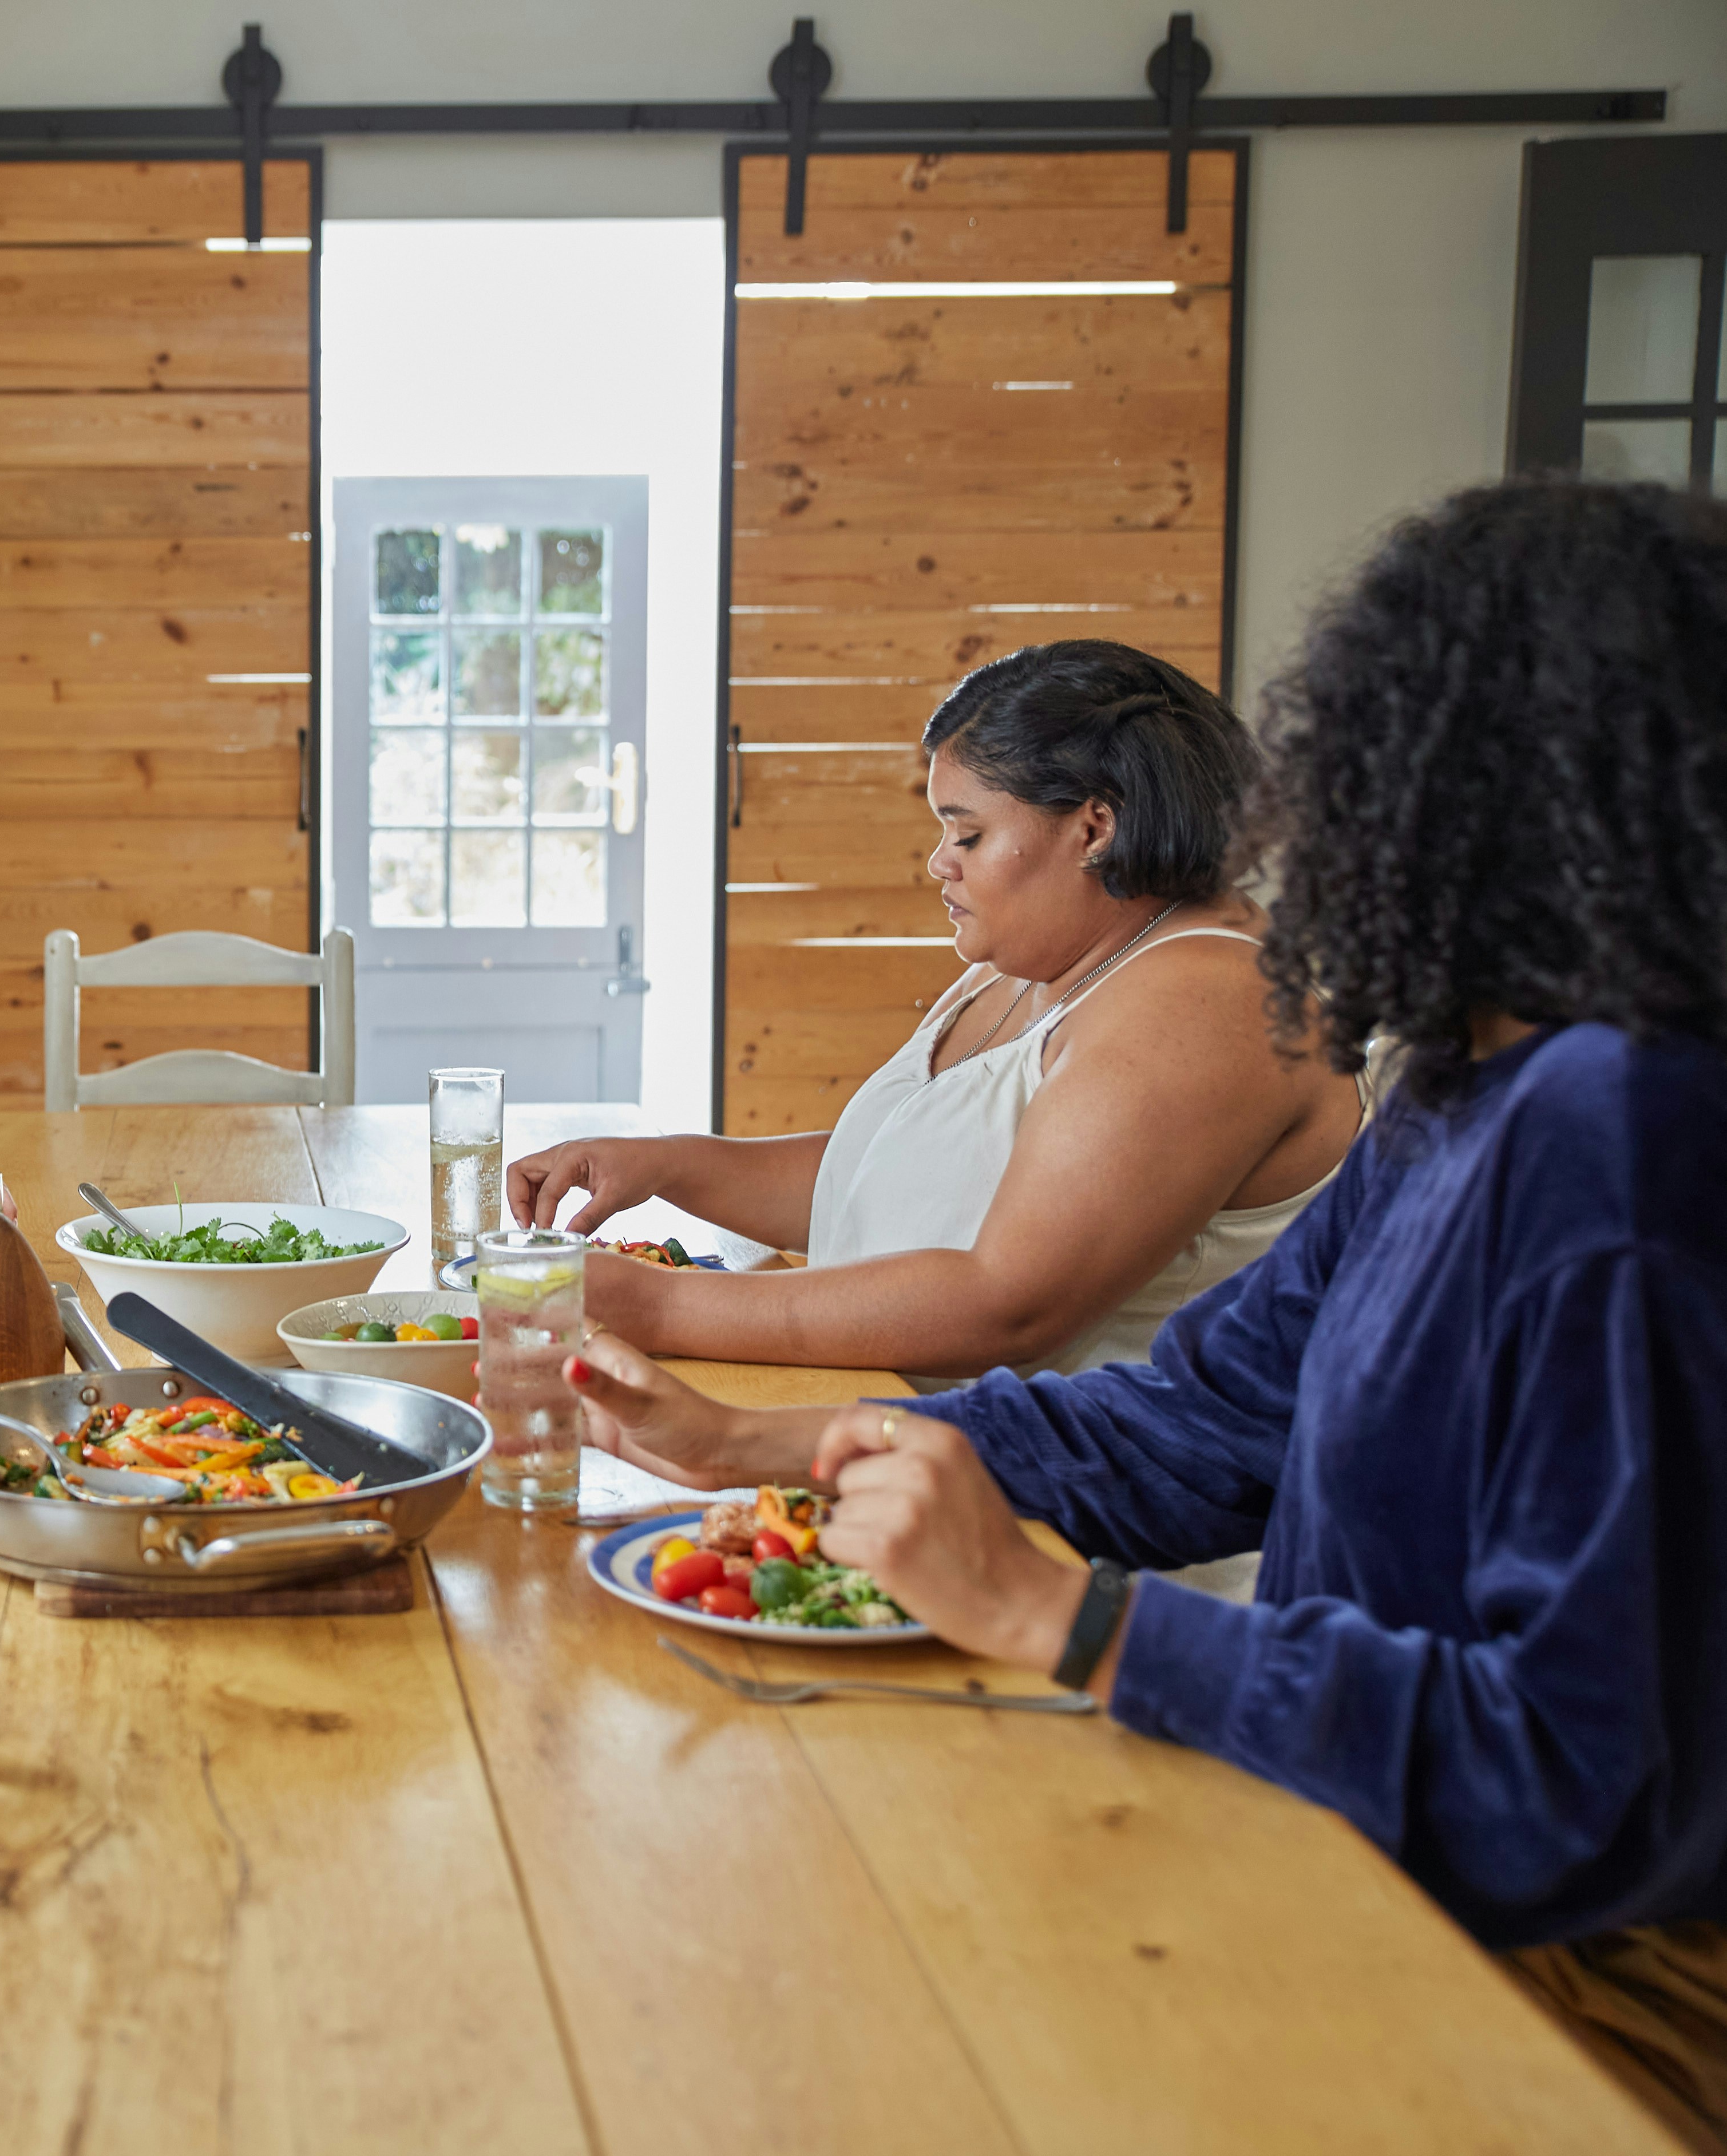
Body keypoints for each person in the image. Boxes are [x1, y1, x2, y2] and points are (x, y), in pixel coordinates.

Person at [566, 480, 1727, 2147]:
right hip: (1347, 1833)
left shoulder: (1623, 1134)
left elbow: (1571, 1777)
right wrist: (763, 1444)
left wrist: (1071, 1623)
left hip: (1558, 1983)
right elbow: (1200, 1419)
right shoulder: (1470, 1090)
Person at [512, 640, 1361, 1385]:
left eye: (968, 835)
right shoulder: (1046, 962)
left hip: (1079, 1533)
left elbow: (1009, 1305)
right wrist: (666, 1165)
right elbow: (888, 1186)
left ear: (1095, 827)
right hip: (901, 1456)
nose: (938, 864)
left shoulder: (1209, 1002)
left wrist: (666, 1308)